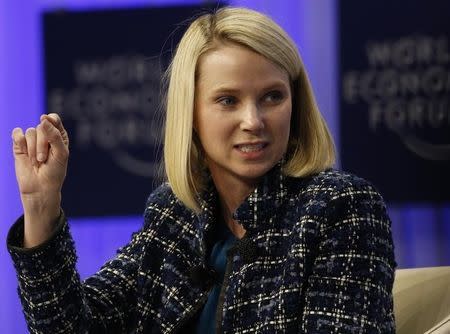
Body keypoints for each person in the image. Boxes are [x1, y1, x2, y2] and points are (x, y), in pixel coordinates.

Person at [7, 6, 397, 334]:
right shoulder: (172, 213)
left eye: (272, 97)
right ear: (191, 114)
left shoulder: (342, 207)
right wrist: (41, 207)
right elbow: (71, 328)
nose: (253, 120)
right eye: (228, 100)